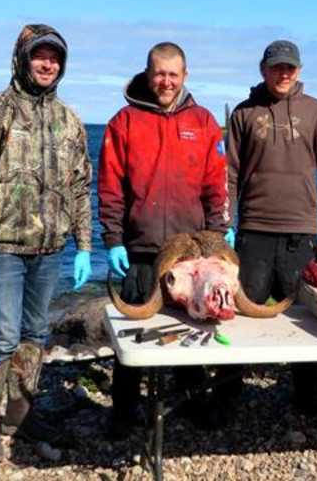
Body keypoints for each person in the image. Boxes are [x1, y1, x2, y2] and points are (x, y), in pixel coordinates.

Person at [0, 24, 93, 463]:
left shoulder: (69, 119)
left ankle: (21, 412)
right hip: (1, 249)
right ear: (22, 58)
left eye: (55, 58)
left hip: (51, 250)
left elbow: (82, 186)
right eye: (40, 56)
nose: (48, 64)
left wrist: (85, 243)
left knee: (35, 334)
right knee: (1, 337)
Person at [97, 42, 229, 434]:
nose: (166, 81)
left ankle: (191, 402)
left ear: (185, 76)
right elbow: (109, 188)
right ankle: (124, 410)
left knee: (191, 328)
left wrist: (218, 241)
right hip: (140, 250)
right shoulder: (124, 121)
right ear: (147, 73)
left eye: (173, 74)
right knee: (134, 333)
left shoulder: (204, 122)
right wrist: (113, 238)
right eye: (159, 73)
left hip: (190, 253)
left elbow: (216, 187)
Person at [226, 40, 317, 416]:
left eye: (290, 68)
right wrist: (225, 224)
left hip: (301, 234)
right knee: (240, 314)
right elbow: (228, 175)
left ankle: (308, 391)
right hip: (253, 233)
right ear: (263, 69)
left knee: (305, 317)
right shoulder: (244, 114)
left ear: (299, 71)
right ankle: (228, 392)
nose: (283, 74)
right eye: (276, 67)